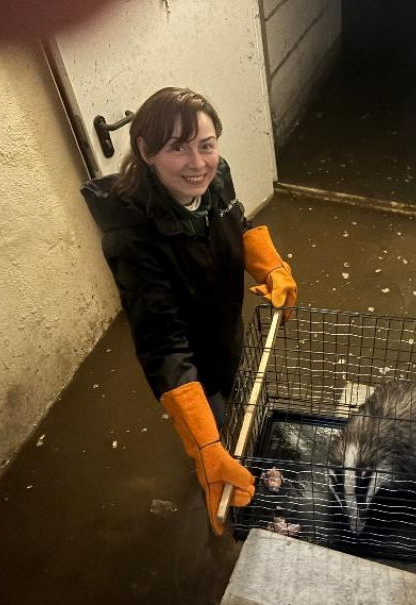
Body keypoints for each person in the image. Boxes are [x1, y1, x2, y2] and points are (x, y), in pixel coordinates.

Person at [81, 87, 297, 535]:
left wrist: (269, 265)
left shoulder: (217, 181)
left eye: (206, 144)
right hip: (188, 366)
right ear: (146, 150)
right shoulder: (132, 237)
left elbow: (239, 222)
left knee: (240, 399)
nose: (197, 163)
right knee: (213, 431)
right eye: (177, 148)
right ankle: (218, 478)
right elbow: (161, 341)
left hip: (225, 331)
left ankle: (233, 449)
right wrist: (203, 440)